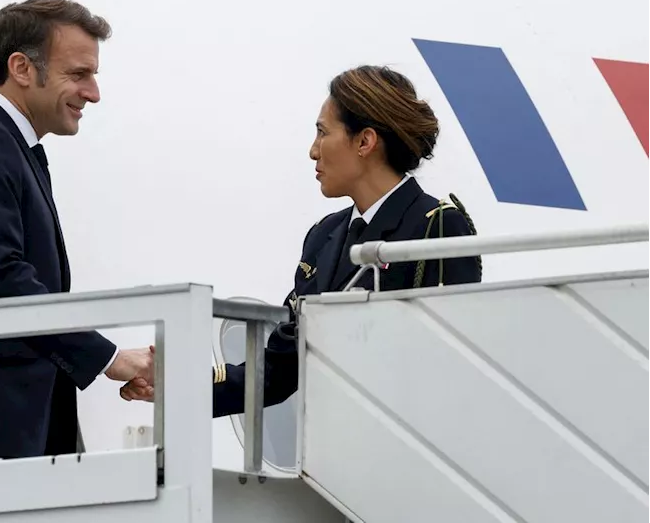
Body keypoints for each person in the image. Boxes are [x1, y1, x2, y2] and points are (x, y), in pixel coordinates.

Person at [119, 65, 482, 417]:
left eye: (323, 133)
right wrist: (176, 381)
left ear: (365, 141)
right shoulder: (324, 235)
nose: (313, 150)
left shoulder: (438, 226)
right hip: (331, 456)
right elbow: (280, 368)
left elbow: (446, 366)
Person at [0, 0, 154, 486]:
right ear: (21, 67)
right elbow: (0, 275)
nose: (94, 92)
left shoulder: (12, 146)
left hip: (8, 420)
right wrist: (108, 358)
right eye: (79, 74)